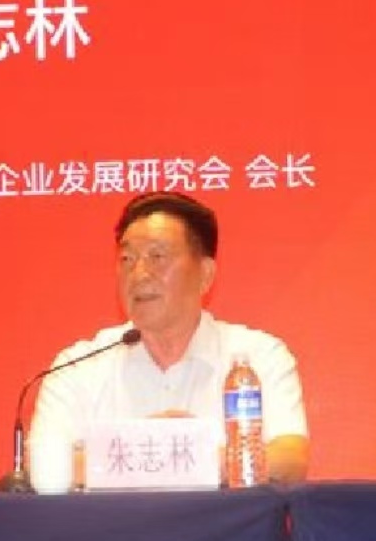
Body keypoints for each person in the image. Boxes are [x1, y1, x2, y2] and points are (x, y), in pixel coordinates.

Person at [29, 191, 309, 483]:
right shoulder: (78, 367)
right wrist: (159, 448)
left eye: (157, 257)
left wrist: (184, 453)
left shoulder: (258, 357)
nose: (138, 274)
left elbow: (290, 459)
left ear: (205, 275)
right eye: (126, 259)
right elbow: (45, 467)